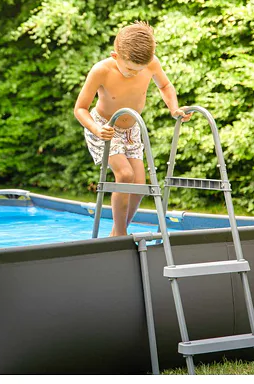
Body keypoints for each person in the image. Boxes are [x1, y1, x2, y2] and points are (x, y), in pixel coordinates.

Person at [73, 21, 192, 237]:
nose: (134, 74)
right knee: (125, 174)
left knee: (140, 185)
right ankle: (120, 235)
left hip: (132, 130)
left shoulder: (151, 63)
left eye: (139, 70)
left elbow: (165, 86)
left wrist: (174, 109)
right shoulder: (101, 70)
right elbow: (80, 109)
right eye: (129, 69)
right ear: (115, 56)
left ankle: (117, 232)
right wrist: (96, 129)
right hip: (105, 127)